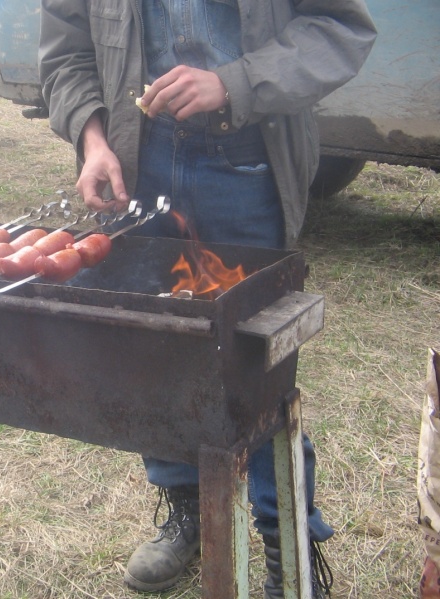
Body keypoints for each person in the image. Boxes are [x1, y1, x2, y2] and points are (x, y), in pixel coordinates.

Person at [38, 0, 376, 596]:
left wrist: (233, 82)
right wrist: (93, 139)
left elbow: (340, 29)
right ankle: (187, 508)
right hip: (139, 166)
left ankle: (286, 544)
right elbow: (67, 50)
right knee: (157, 356)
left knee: (257, 369)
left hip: (245, 160)